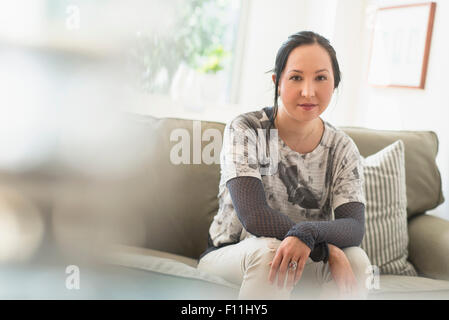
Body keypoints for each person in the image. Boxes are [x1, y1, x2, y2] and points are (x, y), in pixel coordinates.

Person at [197, 31, 372, 300]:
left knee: (357, 261)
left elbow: (354, 226)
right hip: (232, 255)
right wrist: (326, 250)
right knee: (270, 252)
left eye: (321, 78)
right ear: (277, 82)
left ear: (335, 83)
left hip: (305, 253)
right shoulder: (247, 129)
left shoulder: (342, 147)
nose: (308, 91)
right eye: (296, 77)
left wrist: (309, 235)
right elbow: (254, 217)